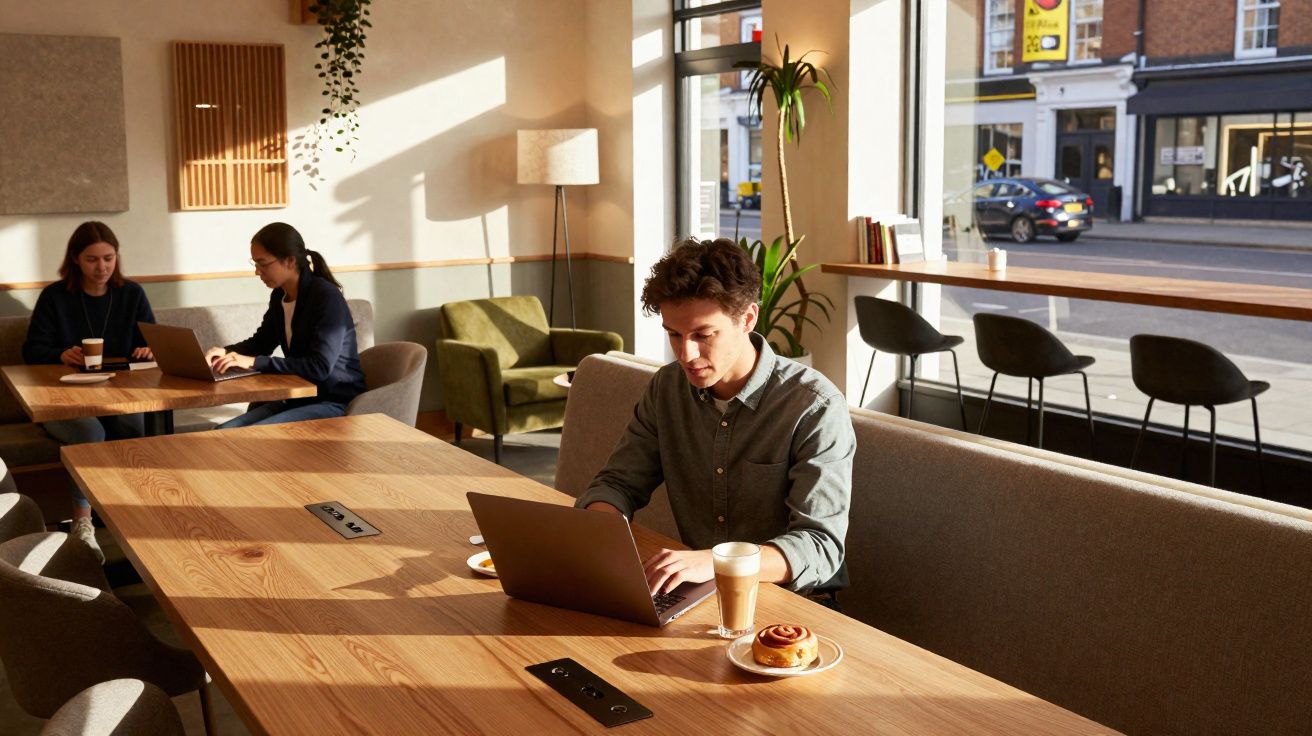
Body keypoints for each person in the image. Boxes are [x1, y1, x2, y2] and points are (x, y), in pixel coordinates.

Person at [575, 237, 855, 604]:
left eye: (703, 335)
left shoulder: (813, 407)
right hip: (701, 593)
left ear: (748, 318)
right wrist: (598, 526)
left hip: (794, 602)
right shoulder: (667, 389)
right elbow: (619, 482)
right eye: (674, 334)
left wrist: (717, 561)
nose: (686, 354)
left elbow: (819, 546)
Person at [22, 221, 156, 562]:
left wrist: (149, 349)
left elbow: (152, 341)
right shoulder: (55, 297)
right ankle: (83, 526)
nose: (102, 267)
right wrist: (58, 354)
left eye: (109, 258)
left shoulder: (131, 294)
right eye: (93, 259)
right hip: (65, 400)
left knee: (137, 427)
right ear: (76, 260)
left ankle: (138, 514)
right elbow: (32, 350)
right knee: (89, 429)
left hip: (118, 396)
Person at [209, 223, 365, 427]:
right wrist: (224, 352)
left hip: (334, 401)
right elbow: (261, 343)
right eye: (255, 263)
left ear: (290, 261)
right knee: (222, 431)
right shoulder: (280, 296)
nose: (257, 272)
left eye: (263, 264)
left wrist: (255, 362)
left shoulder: (326, 297)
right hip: (299, 398)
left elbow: (319, 367)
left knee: (250, 436)